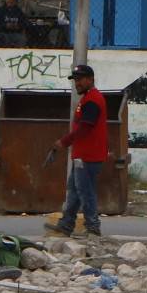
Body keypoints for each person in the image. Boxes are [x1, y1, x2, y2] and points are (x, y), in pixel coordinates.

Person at [46, 64, 107, 237]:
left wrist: (63, 142)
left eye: (80, 79)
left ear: (90, 79)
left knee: (85, 192)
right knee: (75, 190)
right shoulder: (89, 98)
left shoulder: (92, 100)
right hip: (83, 155)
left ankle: (93, 228)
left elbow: (85, 129)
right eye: (75, 80)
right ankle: (66, 224)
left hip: (88, 156)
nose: (77, 83)